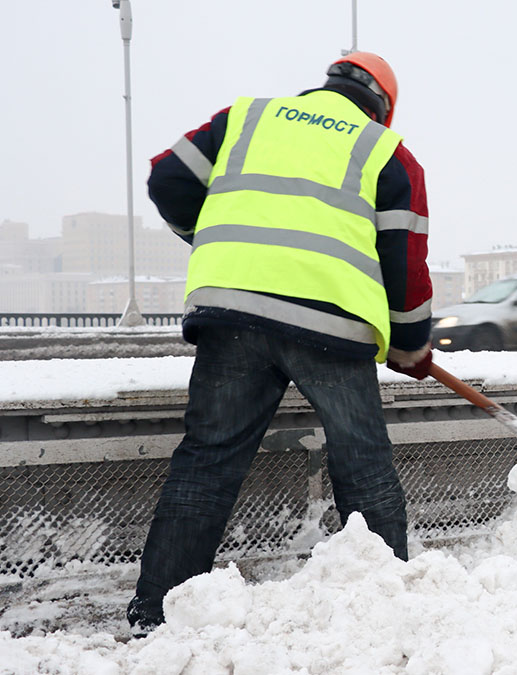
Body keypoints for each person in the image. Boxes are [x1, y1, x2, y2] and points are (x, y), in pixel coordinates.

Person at [127, 51, 433, 634]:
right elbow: (404, 263)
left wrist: (215, 237)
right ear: (383, 109)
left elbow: (167, 177)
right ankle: (391, 607)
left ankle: (155, 614)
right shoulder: (386, 153)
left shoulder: (244, 119)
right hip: (331, 323)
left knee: (207, 462)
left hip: (233, 311)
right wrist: (411, 341)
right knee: (363, 463)